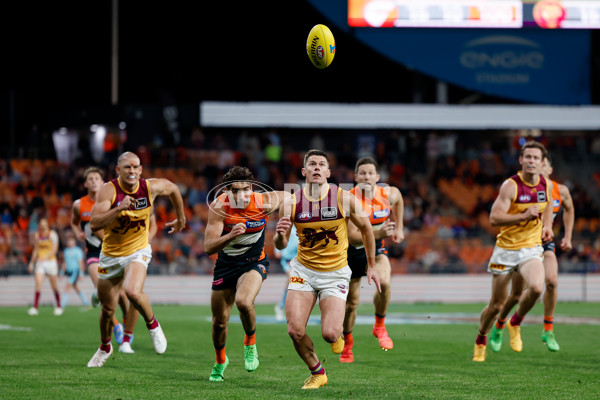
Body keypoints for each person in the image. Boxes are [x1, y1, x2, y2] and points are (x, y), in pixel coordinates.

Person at [274, 149, 381, 389]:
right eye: (311, 164)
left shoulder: (343, 198)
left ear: (328, 172)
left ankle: (338, 333)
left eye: (321, 164)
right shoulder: (291, 203)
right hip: (304, 272)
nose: (316, 168)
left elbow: (366, 229)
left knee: (331, 335)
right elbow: (280, 245)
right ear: (304, 171)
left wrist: (371, 266)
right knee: (294, 330)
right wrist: (280, 236)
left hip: (335, 274)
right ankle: (317, 372)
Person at [86, 151, 186, 368]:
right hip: (111, 255)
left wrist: (181, 217)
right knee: (107, 310)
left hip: (137, 250)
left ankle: (153, 326)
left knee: (132, 291)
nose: (132, 171)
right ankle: (105, 347)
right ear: (118, 170)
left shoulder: (150, 187)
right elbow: (94, 223)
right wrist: (119, 208)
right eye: (127, 167)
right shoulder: (109, 191)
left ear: (140, 170)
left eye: (135, 167)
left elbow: (173, 189)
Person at [204, 166, 289, 382]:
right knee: (219, 322)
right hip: (226, 265)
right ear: (227, 191)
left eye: (244, 189)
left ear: (251, 188)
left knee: (243, 301)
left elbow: (290, 197)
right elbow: (208, 247)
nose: (240, 195)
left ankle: (250, 342)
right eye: (234, 191)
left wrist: (284, 223)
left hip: (254, 261)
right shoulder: (219, 207)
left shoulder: (264, 201)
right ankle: (220, 360)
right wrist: (230, 235)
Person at [472, 141, 554, 362]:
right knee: (496, 305)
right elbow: (494, 218)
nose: (531, 161)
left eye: (536, 158)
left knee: (537, 288)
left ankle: (515, 322)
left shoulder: (545, 185)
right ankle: (481, 338)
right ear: (520, 160)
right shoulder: (511, 186)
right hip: (506, 250)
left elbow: (548, 205)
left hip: (530, 248)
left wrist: (547, 225)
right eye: (528, 157)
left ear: (542, 163)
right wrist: (523, 216)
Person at [489, 153, 574, 353]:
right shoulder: (522, 188)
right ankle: (501, 323)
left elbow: (569, 209)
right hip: (522, 244)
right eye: (533, 161)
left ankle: (548, 329)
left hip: (544, 243)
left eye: (541, 163)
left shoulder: (559, 190)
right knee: (517, 294)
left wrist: (568, 236)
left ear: (549, 169)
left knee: (551, 282)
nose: (536, 165)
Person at [341, 157, 405, 363]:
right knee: (351, 304)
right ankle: (348, 344)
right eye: (362, 173)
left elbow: (399, 199)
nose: (366, 176)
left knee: (384, 283)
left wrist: (400, 227)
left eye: (370, 173)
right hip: (351, 252)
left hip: (377, 249)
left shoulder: (389, 194)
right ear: (355, 177)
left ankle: (379, 326)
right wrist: (379, 234)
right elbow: (351, 236)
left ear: (377, 177)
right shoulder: (349, 199)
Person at [71, 166, 126, 343]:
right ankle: (117, 326)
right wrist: (77, 232)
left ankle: (127, 326)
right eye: (91, 179)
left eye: (97, 179)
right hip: (93, 253)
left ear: (103, 183)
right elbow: (74, 222)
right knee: (102, 293)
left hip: (113, 251)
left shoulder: (110, 201)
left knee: (122, 294)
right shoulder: (79, 205)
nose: (94, 181)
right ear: (85, 183)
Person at [118, 212, 158, 354]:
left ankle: (126, 339)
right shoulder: (112, 195)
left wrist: (148, 239)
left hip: (137, 252)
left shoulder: (146, 195)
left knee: (134, 294)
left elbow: (153, 224)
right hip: (115, 250)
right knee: (114, 297)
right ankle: (120, 324)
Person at [27, 218, 62, 316]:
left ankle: (59, 306)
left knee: (54, 286)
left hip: (51, 261)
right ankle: (35, 307)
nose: (42, 226)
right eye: (41, 224)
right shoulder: (37, 236)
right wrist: (31, 262)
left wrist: (46, 257)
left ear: (47, 225)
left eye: (44, 224)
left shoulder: (52, 235)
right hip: (40, 262)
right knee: (38, 285)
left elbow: (55, 249)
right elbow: (35, 250)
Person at [273, 224, 298, 321]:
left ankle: (281, 306)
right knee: (292, 279)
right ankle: (283, 307)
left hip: (298, 260)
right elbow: (279, 238)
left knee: (293, 284)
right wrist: (277, 250)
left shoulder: (300, 227)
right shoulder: (287, 227)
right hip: (287, 259)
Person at [60, 234, 90, 308]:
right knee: (76, 287)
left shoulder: (77, 251)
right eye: (69, 241)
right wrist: (61, 272)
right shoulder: (66, 251)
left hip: (75, 271)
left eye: (71, 241)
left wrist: (81, 273)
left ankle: (62, 304)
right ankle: (86, 301)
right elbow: (65, 262)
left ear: (74, 242)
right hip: (69, 272)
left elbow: (80, 262)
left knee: (67, 286)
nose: (70, 242)